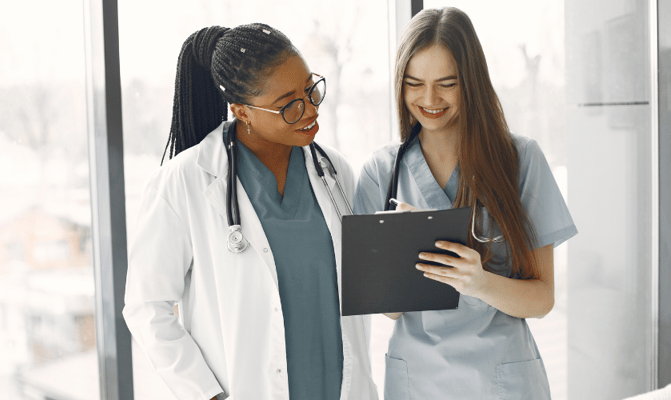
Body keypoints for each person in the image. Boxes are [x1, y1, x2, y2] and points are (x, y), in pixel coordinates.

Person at [123, 23, 378, 400]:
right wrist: (207, 394)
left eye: (311, 89)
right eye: (289, 104)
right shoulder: (186, 182)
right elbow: (146, 307)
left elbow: (365, 282)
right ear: (242, 111)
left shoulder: (334, 170)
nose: (309, 110)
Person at [353, 7, 577, 399]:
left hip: (501, 378)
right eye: (413, 83)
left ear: (470, 82)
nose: (429, 99)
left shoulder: (521, 160)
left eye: (447, 83)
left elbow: (542, 299)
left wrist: (478, 282)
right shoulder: (380, 170)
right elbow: (388, 311)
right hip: (417, 380)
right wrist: (404, 249)